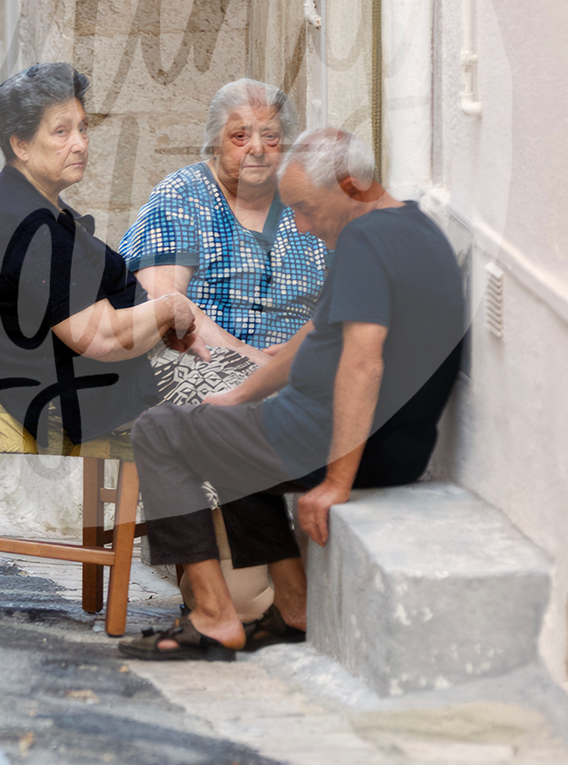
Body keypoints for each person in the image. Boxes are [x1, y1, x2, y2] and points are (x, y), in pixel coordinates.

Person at [119, 127, 465, 662]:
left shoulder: (366, 241)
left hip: (333, 441)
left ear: (352, 185)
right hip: (394, 447)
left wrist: (336, 480)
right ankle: (295, 605)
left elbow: (362, 362)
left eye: (306, 208)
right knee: (227, 431)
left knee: (159, 431)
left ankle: (213, 617)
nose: (301, 223)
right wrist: (238, 397)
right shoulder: (414, 228)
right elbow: (314, 336)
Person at [0, 62, 208, 448]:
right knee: (244, 414)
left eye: (82, 127)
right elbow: (101, 338)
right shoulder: (28, 222)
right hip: (70, 396)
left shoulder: (26, 203)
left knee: (258, 390)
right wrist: (170, 309)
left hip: (81, 381)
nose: (80, 143)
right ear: (20, 145)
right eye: (61, 132)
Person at [119, 80, 327, 360]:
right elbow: (161, 297)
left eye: (271, 137)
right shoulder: (182, 194)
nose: (257, 148)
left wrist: (315, 349)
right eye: (240, 136)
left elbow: (349, 305)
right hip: (201, 366)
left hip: (298, 371)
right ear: (215, 142)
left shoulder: (309, 205)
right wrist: (252, 359)